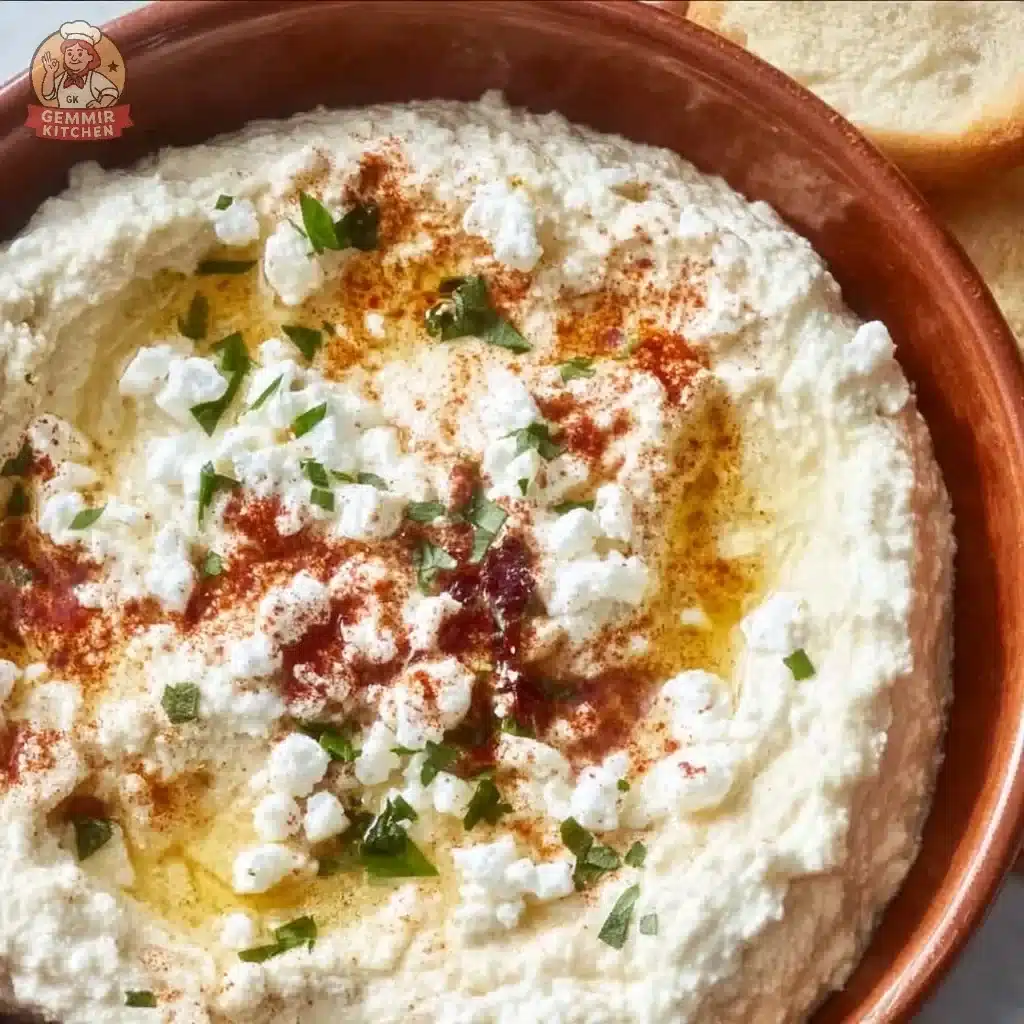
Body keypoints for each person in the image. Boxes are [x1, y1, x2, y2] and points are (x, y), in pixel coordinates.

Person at [39, 21, 118, 110]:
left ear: (90, 57)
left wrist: (101, 104)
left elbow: (111, 92)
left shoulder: (93, 78)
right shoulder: (62, 78)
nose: (74, 58)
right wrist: (50, 73)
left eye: (80, 54)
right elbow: (48, 95)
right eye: (69, 54)